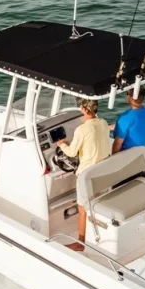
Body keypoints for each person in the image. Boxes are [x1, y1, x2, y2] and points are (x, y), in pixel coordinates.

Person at [55, 98, 109, 252]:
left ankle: (80, 242)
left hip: (87, 175)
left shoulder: (81, 130)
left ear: (84, 110)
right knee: (96, 202)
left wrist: (61, 144)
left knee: (83, 209)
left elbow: (71, 152)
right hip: (102, 171)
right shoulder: (104, 123)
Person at [111, 85, 145, 154]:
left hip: (127, 155)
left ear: (131, 98)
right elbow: (132, 127)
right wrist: (109, 127)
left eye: (127, 94)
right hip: (140, 153)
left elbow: (117, 144)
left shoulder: (125, 117)